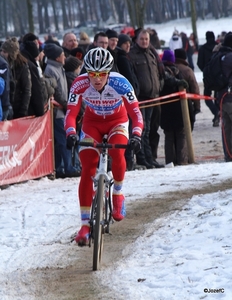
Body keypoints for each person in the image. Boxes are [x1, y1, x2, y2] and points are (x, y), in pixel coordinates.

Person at [64, 47, 144, 245]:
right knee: (87, 168)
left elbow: (136, 114)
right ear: (87, 73)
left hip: (117, 121)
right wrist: (71, 133)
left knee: (118, 153)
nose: (97, 79)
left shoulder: (120, 83)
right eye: (92, 74)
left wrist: (136, 135)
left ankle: (118, 192)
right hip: (92, 123)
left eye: (101, 74)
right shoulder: (79, 84)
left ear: (108, 73)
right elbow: (71, 114)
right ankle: (84, 225)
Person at [44, 43, 81, 178]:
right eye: (62, 55)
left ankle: (62, 167)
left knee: (63, 140)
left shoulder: (60, 68)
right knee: (64, 140)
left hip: (63, 109)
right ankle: (68, 167)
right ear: (57, 57)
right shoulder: (51, 70)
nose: (64, 57)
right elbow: (57, 92)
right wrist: (67, 105)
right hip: (58, 111)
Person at [128, 29, 163, 169]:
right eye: (142, 39)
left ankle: (150, 158)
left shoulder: (151, 54)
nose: (144, 42)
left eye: (146, 39)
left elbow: (158, 74)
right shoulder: (132, 55)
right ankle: (142, 158)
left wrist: (159, 86)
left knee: (148, 130)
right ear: (137, 40)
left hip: (153, 97)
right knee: (140, 130)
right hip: (140, 98)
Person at [160, 50, 195, 165]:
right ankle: (182, 160)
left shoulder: (160, 70)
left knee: (169, 136)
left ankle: (169, 161)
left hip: (165, 109)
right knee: (181, 135)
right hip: (180, 109)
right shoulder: (178, 72)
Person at [116, 33, 140, 170]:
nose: (128, 46)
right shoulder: (122, 59)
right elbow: (128, 80)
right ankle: (129, 160)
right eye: (126, 43)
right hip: (125, 99)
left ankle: (131, 160)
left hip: (132, 96)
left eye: (130, 43)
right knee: (127, 130)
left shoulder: (126, 57)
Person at [197, 31, 220, 127]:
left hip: (207, 77)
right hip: (219, 77)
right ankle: (217, 114)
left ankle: (216, 112)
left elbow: (199, 63)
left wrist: (205, 70)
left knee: (207, 97)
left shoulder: (202, 48)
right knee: (218, 97)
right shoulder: (219, 47)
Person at [216, 33, 232, 162]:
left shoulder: (219, 55)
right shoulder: (230, 57)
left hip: (221, 97)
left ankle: (228, 155)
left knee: (226, 128)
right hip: (230, 97)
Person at [174, 48, 201, 115]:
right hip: (186, 103)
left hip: (170, 104)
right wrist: (197, 106)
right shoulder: (187, 70)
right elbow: (194, 89)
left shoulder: (168, 69)